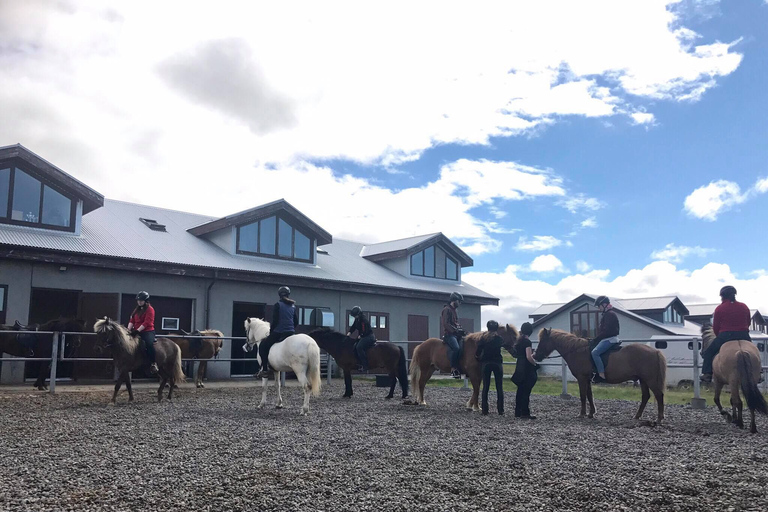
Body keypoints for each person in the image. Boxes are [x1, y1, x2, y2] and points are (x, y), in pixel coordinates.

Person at [700, 285, 751, 383]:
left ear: (722, 296)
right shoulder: (744, 306)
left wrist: (719, 335)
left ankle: (707, 374)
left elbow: (715, 327)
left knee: (709, 352)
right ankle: (759, 371)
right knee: (754, 350)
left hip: (726, 336)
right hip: (744, 335)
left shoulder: (720, 308)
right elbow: (748, 322)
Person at [255, 286, 299, 379]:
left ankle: (265, 370)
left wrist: (271, 332)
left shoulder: (278, 305)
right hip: (291, 332)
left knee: (263, 345)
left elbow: (275, 321)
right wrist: (291, 329)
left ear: (279, 295)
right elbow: (296, 322)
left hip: (279, 332)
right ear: (288, 294)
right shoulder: (293, 306)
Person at [511, 322, 539, 419]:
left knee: (520, 389)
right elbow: (528, 356)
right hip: (527, 367)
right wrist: (535, 364)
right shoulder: (527, 342)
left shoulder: (519, 341)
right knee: (526, 391)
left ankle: (517, 411)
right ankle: (525, 412)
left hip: (519, 365)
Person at [476, 320, 505, 416]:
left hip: (486, 363)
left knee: (485, 387)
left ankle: (485, 410)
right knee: (499, 387)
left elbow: (478, 351)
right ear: (496, 328)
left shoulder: (483, 339)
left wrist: (478, 358)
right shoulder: (499, 339)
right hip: (497, 363)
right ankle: (500, 410)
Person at [590, 295, 620, 383]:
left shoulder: (609, 314)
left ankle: (601, 374)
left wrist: (596, 339)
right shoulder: (608, 314)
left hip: (609, 339)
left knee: (595, 353)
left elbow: (606, 331)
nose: (599, 309)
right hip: (608, 338)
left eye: (599, 306)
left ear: (604, 304)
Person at [127, 291, 158, 374]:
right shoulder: (136, 310)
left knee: (149, 344)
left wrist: (137, 330)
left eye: (141, 300)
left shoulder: (150, 309)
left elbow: (147, 322)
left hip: (147, 331)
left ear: (146, 301)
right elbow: (132, 320)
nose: (139, 302)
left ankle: (153, 363)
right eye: (138, 300)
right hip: (136, 330)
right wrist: (128, 330)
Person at [441, 291, 465, 379]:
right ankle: (453, 369)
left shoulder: (455, 311)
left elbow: (456, 323)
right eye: (459, 301)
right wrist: (455, 331)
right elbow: (446, 324)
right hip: (449, 335)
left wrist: (461, 330)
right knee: (456, 348)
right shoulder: (446, 309)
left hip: (456, 334)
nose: (460, 303)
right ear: (454, 300)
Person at [348, 306, 376, 372]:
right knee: (354, 346)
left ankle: (365, 365)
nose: (354, 317)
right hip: (363, 336)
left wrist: (361, 335)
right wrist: (349, 332)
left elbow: (364, 330)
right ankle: (358, 363)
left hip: (368, 336)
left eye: (355, 316)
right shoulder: (357, 319)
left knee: (359, 347)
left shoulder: (363, 320)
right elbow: (354, 326)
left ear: (358, 314)